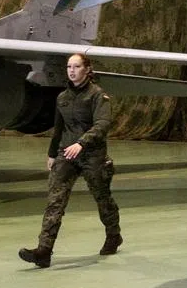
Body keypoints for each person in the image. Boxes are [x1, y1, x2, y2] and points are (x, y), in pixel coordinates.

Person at [18, 53, 122, 269]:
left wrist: (82, 143)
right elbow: (59, 128)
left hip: (92, 155)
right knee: (55, 201)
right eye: (69, 67)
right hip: (67, 154)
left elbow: (102, 124)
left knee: (102, 198)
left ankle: (113, 235)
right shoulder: (62, 97)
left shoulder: (97, 96)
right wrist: (52, 153)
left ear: (87, 69)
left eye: (76, 66)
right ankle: (43, 251)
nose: (72, 70)